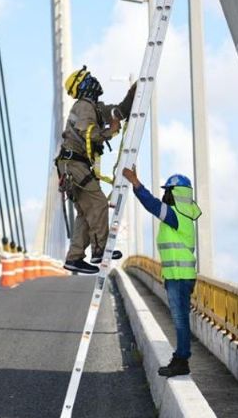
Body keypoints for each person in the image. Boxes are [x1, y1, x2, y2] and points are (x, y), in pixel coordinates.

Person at [122, 167, 202, 377]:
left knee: (180, 319)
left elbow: (152, 204)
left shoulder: (177, 216)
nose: (165, 195)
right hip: (177, 276)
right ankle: (181, 357)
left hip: (179, 277)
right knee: (180, 318)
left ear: (177, 194)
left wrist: (135, 183)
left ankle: (182, 360)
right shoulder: (181, 216)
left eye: (169, 191)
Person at [56, 66, 135, 274]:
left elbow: (117, 112)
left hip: (72, 165)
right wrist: (111, 131)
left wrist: (134, 92)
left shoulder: (94, 107)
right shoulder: (83, 106)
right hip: (75, 164)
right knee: (98, 203)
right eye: (88, 78)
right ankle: (100, 250)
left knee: (84, 213)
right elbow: (89, 133)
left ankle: (74, 258)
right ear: (84, 85)